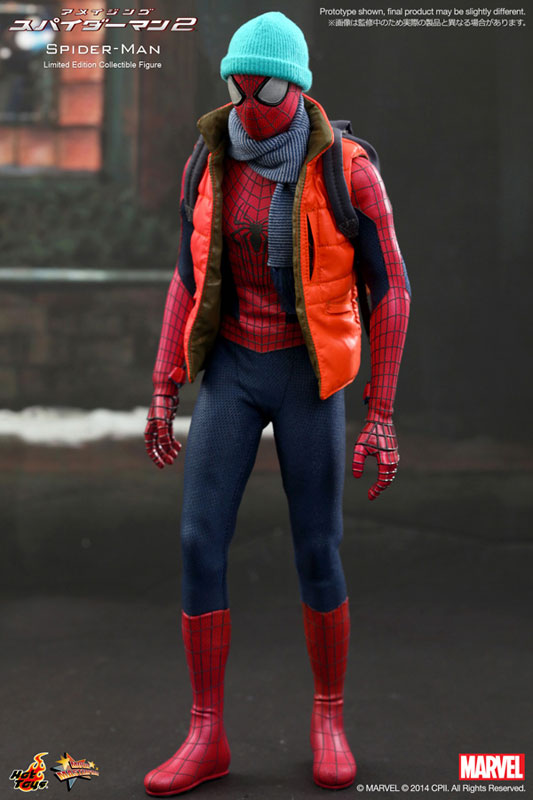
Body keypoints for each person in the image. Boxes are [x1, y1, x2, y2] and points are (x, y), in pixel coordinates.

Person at [143, 11, 411, 796]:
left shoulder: (346, 170)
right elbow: (188, 273)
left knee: (317, 547)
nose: (247, 103)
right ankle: (206, 733)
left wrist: (382, 412)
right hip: (232, 368)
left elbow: (391, 288)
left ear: (296, 88)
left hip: (308, 373)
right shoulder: (210, 157)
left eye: (263, 88)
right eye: (237, 85)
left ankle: (328, 718)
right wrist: (163, 385)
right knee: (198, 541)